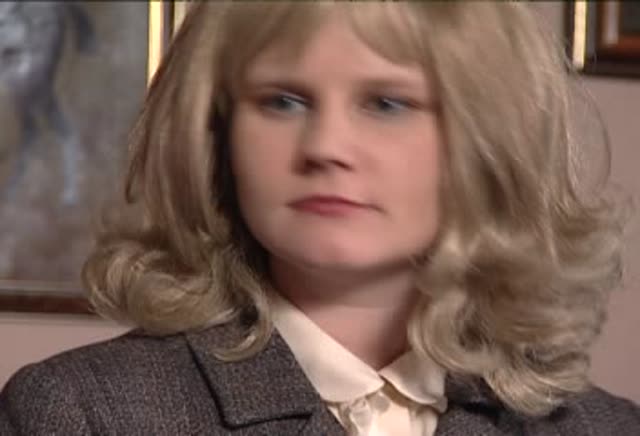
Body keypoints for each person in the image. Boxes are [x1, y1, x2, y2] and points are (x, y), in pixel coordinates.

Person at [1, 2, 639, 435]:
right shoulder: (81, 414)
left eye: (386, 103)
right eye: (282, 101)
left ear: (488, 141)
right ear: (217, 134)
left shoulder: (608, 428)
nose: (326, 146)